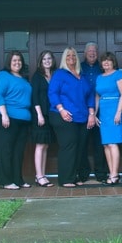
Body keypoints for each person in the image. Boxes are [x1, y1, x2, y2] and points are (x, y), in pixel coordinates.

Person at [48, 47, 97, 188]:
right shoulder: (60, 74)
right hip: (63, 116)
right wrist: (61, 109)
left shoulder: (82, 76)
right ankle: (65, 179)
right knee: (69, 146)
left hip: (82, 117)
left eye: (74, 55)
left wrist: (91, 114)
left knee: (79, 148)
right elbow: (53, 93)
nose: (71, 58)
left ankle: (75, 176)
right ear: (64, 58)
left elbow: (90, 96)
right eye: (68, 55)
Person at [0, 50, 32, 189]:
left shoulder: (23, 78)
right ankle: (6, 181)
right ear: (9, 62)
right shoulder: (3, 75)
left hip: (22, 120)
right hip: (6, 117)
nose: (17, 63)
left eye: (19, 60)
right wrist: (4, 115)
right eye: (14, 60)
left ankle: (18, 179)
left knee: (18, 151)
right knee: (6, 149)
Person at [95, 51, 122, 185]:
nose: (106, 63)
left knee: (113, 143)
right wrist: (95, 114)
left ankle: (114, 174)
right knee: (106, 144)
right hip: (103, 111)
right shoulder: (99, 77)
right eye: (104, 60)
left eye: (109, 60)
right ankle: (111, 172)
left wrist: (119, 112)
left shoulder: (118, 74)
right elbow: (97, 96)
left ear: (113, 62)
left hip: (115, 109)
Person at [78, 42, 108, 183]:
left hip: (101, 111)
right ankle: (83, 173)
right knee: (82, 143)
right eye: (89, 51)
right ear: (84, 53)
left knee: (100, 143)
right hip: (82, 111)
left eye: (94, 51)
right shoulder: (79, 68)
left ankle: (101, 173)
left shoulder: (102, 67)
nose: (92, 53)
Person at [30, 50, 56, 187]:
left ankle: (42, 175)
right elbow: (34, 97)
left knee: (45, 145)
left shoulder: (54, 75)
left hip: (50, 114)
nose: (47, 61)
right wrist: (39, 114)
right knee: (40, 145)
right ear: (41, 61)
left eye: (49, 58)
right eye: (44, 59)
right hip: (39, 115)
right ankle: (39, 176)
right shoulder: (37, 76)